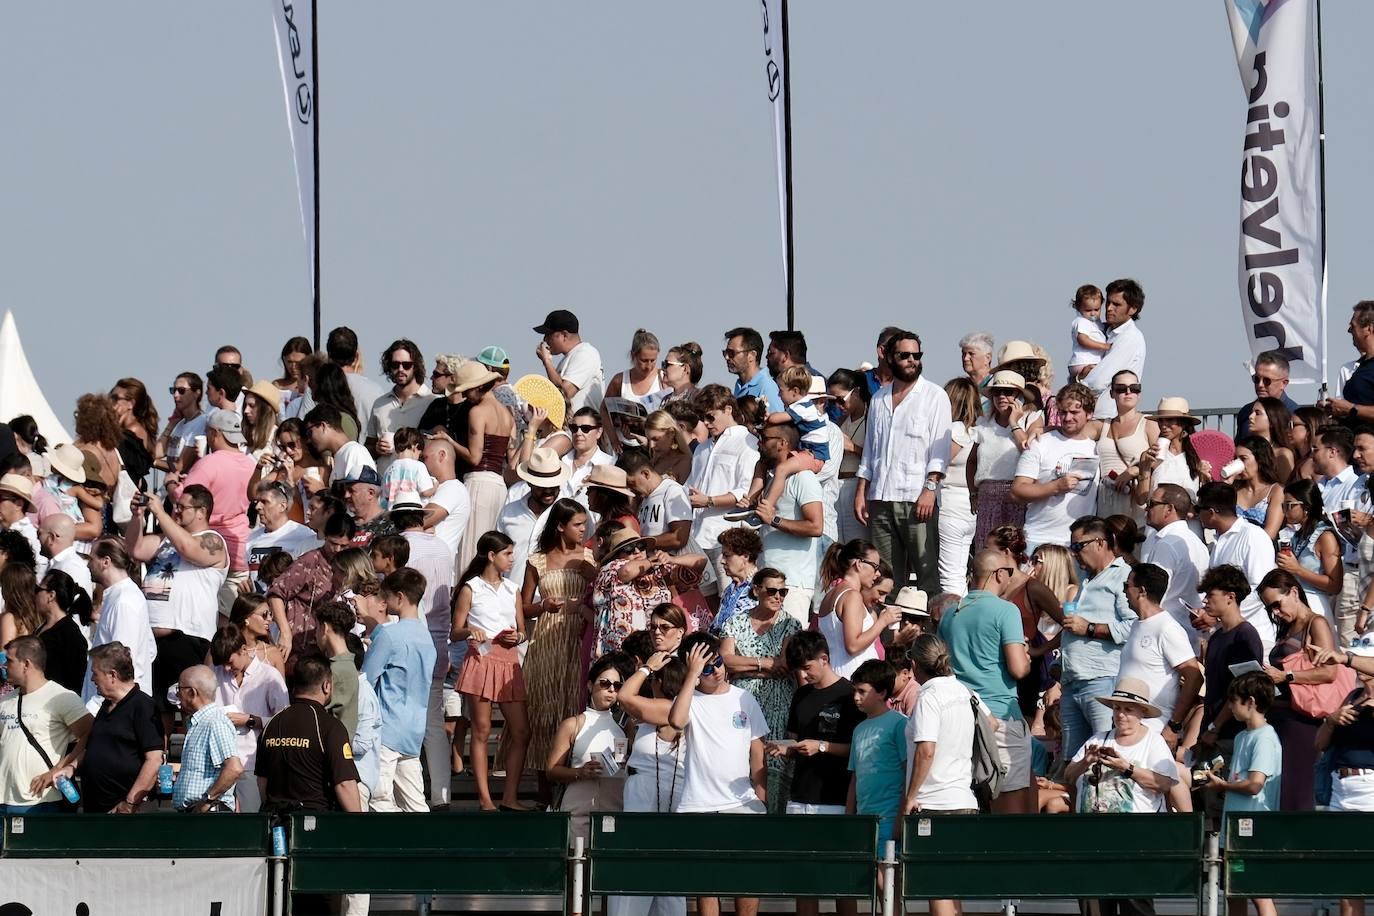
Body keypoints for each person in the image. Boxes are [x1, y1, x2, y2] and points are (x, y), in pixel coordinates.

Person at [1065, 679, 1179, 915]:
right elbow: (1068, 775)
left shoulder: (1153, 741)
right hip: (1093, 840)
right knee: (1094, 906)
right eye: (1117, 708)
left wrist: (1126, 767)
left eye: (1128, 709)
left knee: (1134, 906)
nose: (1121, 715)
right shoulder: (1097, 738)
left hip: (1134, 840)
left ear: (1141, 713)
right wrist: (1087, 760)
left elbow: (1164, 784)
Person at [854, 330, 952, 596]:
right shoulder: (879, 398)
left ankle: (929, 637)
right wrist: (861, 491)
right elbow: (870, 452)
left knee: (926, 574)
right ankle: (888, 636)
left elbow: (940, 452)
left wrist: (930, 490)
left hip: (916, 497)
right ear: (889, 357)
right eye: (905, 355)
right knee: (884, 577)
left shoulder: (935, 396)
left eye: (916, 355)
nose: (912, 360)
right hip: (880, 497)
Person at [938, 549, 1034, 812]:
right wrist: (1026, 658)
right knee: (1010, 813)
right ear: (999, 574)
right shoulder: (1006, 611)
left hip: (961, 717)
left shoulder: (949, 613)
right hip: (1001, 717)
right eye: (1011, 572)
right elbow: (1017, 668)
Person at [126, 482, 228, 724]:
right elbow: (136, 549)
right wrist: (136, 517)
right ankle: (161, 759)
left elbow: (188, 547)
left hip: (187, 636)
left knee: (191, 706)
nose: (177, 511)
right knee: (158, 709)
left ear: (202, 511)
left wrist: (160, 512)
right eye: (176, 507)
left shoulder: (213, 540)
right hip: (153, 637)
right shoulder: (167, 538)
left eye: (182, 507)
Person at [518, 500, 598, 798]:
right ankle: (543, 792)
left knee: (572, 709)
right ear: (560, 526)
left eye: (583, 524)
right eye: (577, 524)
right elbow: (523, 608)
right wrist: (543, 605)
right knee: (543, 713)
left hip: (579, 641)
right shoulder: (537, 560)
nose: (583, 529)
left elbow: (600, 596)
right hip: (546, 643)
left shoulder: (590, 557)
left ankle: (569, 790)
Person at [901, 633, 982, 916]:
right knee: (951, 889)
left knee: (935, 888)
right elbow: (992, 725)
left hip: (933, 803)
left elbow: (926, 750)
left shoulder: (930, 696)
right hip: (963, 800)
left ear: (914, 664)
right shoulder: (965, 691)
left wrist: (910, 797)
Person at [453, 531, 531, 811]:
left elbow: (522, 630)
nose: (511, 559)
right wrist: (470, 632)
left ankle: (509, 797)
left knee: (521, 731)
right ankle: (486, 799)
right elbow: (455, 631)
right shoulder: (470, 588)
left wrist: (518, 638)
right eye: (507, 554)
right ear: (491, 555)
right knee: (482, 730)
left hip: (508, 660)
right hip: (481, 659)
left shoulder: (512, 589)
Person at [1058, 517, 1137, 764]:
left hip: (1101, 681)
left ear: (1100, 542)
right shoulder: (1087, 579)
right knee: (1073, 761)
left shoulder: (1123, 576)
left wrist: (1089, 628)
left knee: (1106, 756)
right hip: (1072, 681)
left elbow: (1133, 626)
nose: (1074, 554)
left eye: (1078, 546)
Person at [720, 570, 801, 808]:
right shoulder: (735, 622)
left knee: (773, 764)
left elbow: (784, 666)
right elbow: (725, 660)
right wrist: (764, 663)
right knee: (740, 761)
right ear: (756, 590)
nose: (778, 596)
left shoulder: (791, 623)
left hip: (779, 706)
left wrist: (742, 666)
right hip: (741, 703)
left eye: (783, 591)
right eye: (772, 590)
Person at [1257, 569, 1337, 811]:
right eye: (1270, 608)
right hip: (1279, 716)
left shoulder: (1317, 623)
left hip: (1303, 719)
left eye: (1277, 604)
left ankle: (1301, 848)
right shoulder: (1287, 627)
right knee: (1279, 793)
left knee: (1296, 792)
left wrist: (1287, 675)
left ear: (1293, 591)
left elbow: (1330, 671)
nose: (1275, 612)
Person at [776, 631, 864, 848]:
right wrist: (783, 748)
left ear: (824, 659)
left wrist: (822, 747)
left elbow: (859, 751)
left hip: (835, 799)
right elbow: (795, 742)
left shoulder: (850, 696)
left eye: (807, 668)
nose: (803, 676)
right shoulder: (801, 695)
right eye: (799, 670)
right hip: (798, 798)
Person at [1205, 671, 1281, 916]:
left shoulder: (1265, 738)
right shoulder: (1241, 736)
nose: (1230, 707)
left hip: (1255, 830)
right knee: (1233, 891)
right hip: (1235, 829)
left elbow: (1255, 784)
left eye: (1233, 701)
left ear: (1251, 702)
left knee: (1259, 893)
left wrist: (1223, 786)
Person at [362, 567, 437, 812]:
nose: (385, 601)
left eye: (388, 596)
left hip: (386, 728)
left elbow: (367, 681)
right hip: (413, 729)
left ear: (400, 597)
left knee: (380, 799)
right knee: (415, 803)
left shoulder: (389, 635)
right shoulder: (427, 638)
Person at [256, 651, 363, 812]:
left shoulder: (271, 725)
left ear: (294, 686)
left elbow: (262, 781)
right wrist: (357, 827)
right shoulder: (330, 727)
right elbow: (344, 783)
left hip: (275, 824)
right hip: (317, 826)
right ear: (326, 686)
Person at [0, 636, 93, 813]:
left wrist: (58, 770)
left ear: (26, 664)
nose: (4, 666)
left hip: (39, 799)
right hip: (3, 799)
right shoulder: (5, 701)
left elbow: (91, 735)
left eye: (10, 661)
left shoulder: (62, 697)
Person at [547, 652, 634, 840]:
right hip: (578, 806)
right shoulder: (573, 724)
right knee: (576, 861)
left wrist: (629, 762)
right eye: (604, 683)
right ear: (589, 685)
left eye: (617, 686)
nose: (611, 689)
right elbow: (552, 770)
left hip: (616, 808)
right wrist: (581, 772)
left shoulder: (626, 725)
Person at [1117, 563, 1203, 751]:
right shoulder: (1136, 625)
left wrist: (1173, 726)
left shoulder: (1167, 628)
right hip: (1130, 727)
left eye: (1126, 585)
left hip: (1154, 729)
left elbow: (1194, 676)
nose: (1123, 592)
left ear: (1141, 591)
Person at [686, 385, 760, 596]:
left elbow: (746, 491)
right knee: (703, 602)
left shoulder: (748, 442)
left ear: (728, 409)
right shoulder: (701, 447)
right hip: (697, 536)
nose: (706, 423)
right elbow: (691, 486)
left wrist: (709, 500)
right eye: (703, 418)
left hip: (727, 538)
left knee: (731, 599)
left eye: (710, 417)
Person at [76, 642, 164, 813]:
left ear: (112, 675)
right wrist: (70, 766)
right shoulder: (106, 705)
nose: (92, 679)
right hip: (96, 809)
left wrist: (130, 803)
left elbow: (153, 761)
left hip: (125, 813)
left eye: (95, 674)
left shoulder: (143, 706)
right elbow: (93, 747)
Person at [1012, 382, 1101, 550]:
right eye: (1063, 412)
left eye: (1075, 412)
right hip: (1039, 538)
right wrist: (1055, 487)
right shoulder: (1040, 442)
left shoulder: (1096, 448)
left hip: (1079, 544)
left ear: (1089, 414)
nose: (1067, 418)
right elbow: (1018, 491)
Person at [210, 624, 289, 813]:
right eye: (222, 664)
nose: (227, 668)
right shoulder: (215, 674)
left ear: (243, 649)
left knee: (251, 819)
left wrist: (250, 720)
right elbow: (176, 693)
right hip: (220, 762)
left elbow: (284, 721)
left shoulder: (269, 676)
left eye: (230, 662)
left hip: (253, 762)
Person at [1194, 566, 1266, 771]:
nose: (1205, 600)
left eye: (1211, 594)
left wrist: (1215, 728)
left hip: (1231, 736)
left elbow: (1243, 689)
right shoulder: (1216, 637)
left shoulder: (1245, 636)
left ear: (1230, 597)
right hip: (1212, 734)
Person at [755, 422, 825, 623]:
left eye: (765, 438)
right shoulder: (771, 478)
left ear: (782, 443)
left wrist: (774, 520)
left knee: (791, 651)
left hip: (792, 585)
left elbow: (816, 526)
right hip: (766, 580)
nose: (760, 443)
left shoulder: (803, 478)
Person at [265, 511, 355, 667]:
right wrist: (285, 634)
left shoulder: (352, 564)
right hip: (301, 647)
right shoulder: (311, 561)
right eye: (334, 543)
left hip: (333, 650)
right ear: (325, 536)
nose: (338, 550)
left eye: (344, 545)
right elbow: (276, 592)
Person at [1199, 482, 1278, 650]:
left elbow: (1262, 589)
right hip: (1226, 635)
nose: (1196, 514)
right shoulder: (1220, 540)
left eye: (1199, 509)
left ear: (1211, 512)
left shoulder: (1254, 536)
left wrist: (1217, 614)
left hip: (1255, 636)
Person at [83, 538, 156, 706]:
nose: (88, 565)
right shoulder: (120, 596)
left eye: (91, 559)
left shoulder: (124, 601)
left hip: (117, 708)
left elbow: (122, 663)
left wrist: (97, 709)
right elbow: (150, 650)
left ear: (105, 562)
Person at [815, 540, 901, 678]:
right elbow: (853, 645)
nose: (877, 573)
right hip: (852, 678)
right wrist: (882, 622)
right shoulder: (852, 596)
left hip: (838, 675)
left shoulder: (830, 594)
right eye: (875, 566)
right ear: (859, 564)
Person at [846, 659, 909, 848]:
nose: (856, 697)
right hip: (863, 821)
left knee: (887, 874)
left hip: (890, 819)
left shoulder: (900, 724)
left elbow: (908, 773)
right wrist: (849, 818)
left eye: (862, 691)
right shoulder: (858, 729)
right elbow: (855, 777)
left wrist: (900, 819)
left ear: (882, 693)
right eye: (854, 691)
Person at [1314, 424, 1366, 644]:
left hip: (1347, 570)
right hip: (1318, 571)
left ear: (1332, 452)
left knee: (1347, 642)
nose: (1311, 455)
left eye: (1316, 449)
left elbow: (1360, 533)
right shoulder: (1318, 485)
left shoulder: (1356, 485)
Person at [172, 664, 242, 812]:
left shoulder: (215, 722)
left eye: (179, 689)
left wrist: (207, 801)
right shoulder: (200, 723)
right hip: (199, 814)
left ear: (192, 692)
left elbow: (234, 768)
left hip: (209, 817)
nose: (177, 694)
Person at [1277, 479, 1343, 633]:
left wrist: (1298, 570)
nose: (1285, 511)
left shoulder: (1325, 536)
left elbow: (1335, 584)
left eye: (1289, 505)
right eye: (1283, 506)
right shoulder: (1298, 534)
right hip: (1296, 605)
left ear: (1306, 506)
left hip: (1316, 606)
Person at [366, 339, 435, 477]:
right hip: (386, 486)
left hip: (418, 486)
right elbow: (368, 446)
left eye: (407, 365)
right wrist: (377, 448)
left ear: (415, 366)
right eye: (395, 364)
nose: (401, 369)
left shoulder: (432, 401)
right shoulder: (379, 404)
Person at [1094, 370, 1156, 520]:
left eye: (1134, 388)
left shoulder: (1149, 423)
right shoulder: (1102, 425)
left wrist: (1135, 469)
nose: (1128, 392)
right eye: (1121, 389)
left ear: (1139, 393)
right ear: (1112, 393)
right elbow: (1071, 429)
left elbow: (1162, 458)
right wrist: (1040, 428)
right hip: (1105, 503)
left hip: (1135, 502)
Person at [1082, 278, 1148, 419]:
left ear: (1133, 309)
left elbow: (1098, 381)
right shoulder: (1107, 331)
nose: (1109, 308)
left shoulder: (1130, 337)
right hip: (1095, 415)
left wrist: (1076, 387)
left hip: (1108, 418)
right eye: (1109, 302)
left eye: (1116, 304)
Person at [939, 377, 979, 594]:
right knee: (959, 570)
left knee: (949, 575)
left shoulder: (956, 429)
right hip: (968, 505)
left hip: (951, 504)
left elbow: (941, 460)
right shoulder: (976, 430)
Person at [244, 481, 319, 588]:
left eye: (265, 502)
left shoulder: (303, 535)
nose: (258, 507)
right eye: (257, 502)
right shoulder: (251, 537)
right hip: (258, 602)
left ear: (282, 506)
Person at [622, 448, 692, 554]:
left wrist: (641, 543)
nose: (630, 489)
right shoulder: (644, 498)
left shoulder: (672, 490)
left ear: (645, 474)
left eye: (631, 483)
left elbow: (679, 538)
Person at [534, 308, 605, 413]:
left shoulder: (585, 353)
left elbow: (564, 393)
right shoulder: (569, 358)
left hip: (584, 428)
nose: (545, 340)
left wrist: (547, 361)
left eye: (549, 335)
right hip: (571, 427)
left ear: (564, 335)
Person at [34, 569, 90, 693]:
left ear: (51, 595)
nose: (35, 595)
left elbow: (74, 684)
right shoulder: (43, 626)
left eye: (38, 590)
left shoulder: (71, 636)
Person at [420, 429, 471, 558]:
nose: (421, 463)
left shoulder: (453, 488)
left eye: (424, 457)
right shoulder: (438, 487)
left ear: (442, 455)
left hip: (435, 567)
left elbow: (420, 520)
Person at [326, 326, 382, 440]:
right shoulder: (376, 391)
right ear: (356, 356)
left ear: (329, 355)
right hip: (366, 455)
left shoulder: (318, 387)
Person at [304, 404, 375, 487]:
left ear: (323, 426)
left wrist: (320, 490)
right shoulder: (340, 456)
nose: (308, 440)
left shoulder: (355, 452)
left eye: (309, 433)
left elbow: (363, 496)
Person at [1229, 437, 1285, 538]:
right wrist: (1226, 484)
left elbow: (1270, 533)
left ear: (1259, 459)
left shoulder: (1276, 491)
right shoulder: (1234, 489)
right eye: (1236, 459)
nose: (1239, 463)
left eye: (1243, 459)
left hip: (1259, 549)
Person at [710, 527, 763, 631]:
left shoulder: (761, 588)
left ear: (746, 556)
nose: (722, 561)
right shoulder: (729, 589)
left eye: (727, 556)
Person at [1235, 351, 1297, 439]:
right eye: (1256, 379)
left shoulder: (1294, 416)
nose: (1260, 385)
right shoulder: (1246, 413)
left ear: (1283, 383)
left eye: (1267, 381)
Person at [37, 514, 94, 600]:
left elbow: (76, 609)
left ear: (51, 538)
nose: (37, 538)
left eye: (39, 533)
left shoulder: (71, 567)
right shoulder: (60, 563)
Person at [158, 372, 207, 473]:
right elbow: (157, 452)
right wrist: (171, 424)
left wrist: (154, 462)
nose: (176, 395)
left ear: (196, 393)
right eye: (173, 390)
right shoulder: (180, 424)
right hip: (168, 485)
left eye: (181, 391)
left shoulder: (201, 422)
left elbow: (180, 467)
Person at [724, 326, 781, 411]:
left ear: (752, 355)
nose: (727, 357)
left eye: (732, 353)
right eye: (725, 353)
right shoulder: (739, 385)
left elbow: (776, 421)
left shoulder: (767, 387)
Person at [1246, 397, 1297, 483]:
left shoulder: (1282, 454)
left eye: (1257, 413)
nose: (1251, 417)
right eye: (1251, 413)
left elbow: (1286, 488)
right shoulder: (1245, 451)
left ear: (1272, 420)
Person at [1067, 284, 1110, 380]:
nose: (1093, 313)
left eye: (1097, 309)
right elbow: (1082, 339)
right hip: (1083, 362)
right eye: (1088, 310)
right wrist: (1104, 346)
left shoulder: (1094, 322)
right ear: (1078, 307)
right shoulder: (1082, 321)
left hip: (1085, 362)